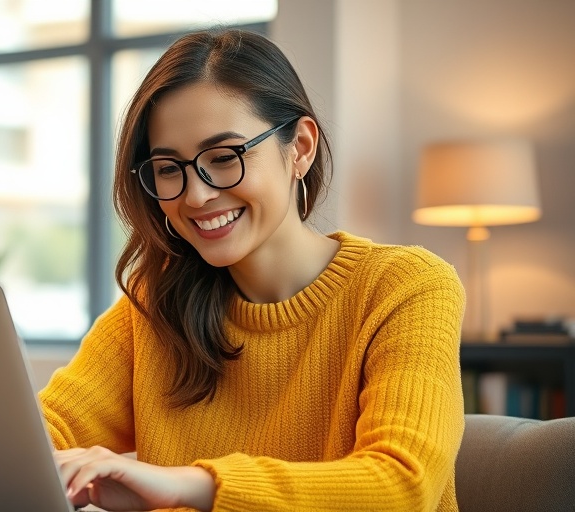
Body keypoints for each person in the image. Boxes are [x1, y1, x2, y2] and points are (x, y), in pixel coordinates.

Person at [40, 28, 465, 511]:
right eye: (167, 168)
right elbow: (40, 436)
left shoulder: (406, 288)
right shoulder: (157, 302)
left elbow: (403, 486)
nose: (196, 195)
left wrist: (188, 485)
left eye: (224, 158)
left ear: (300, 148)